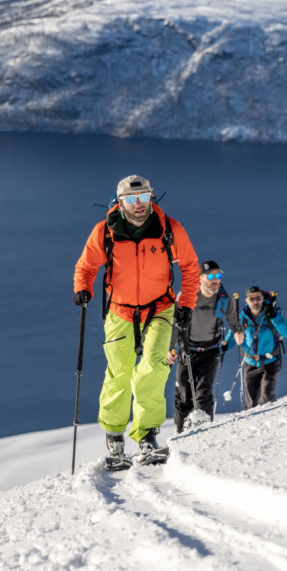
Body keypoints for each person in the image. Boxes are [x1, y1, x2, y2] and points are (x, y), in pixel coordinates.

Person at [73, 174, 200, 460]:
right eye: (131, 199)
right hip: (120, 310)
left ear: (151, 196)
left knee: (154, 368)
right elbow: (86, 266)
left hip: (161, 308)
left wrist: (187, 304)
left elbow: (191, 267)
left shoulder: (169, 229)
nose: (139, 204)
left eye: (144, 197)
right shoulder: (104, 231)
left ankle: (147, 435)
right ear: (120, 203)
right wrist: (83, 289)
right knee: (120, 373)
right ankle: (114, 433)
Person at [169, 260, 238, 433]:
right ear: (200, 278)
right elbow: (175, 324)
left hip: (211, 349)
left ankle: (205, 431)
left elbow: (234, 321)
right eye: (211, 276)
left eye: (218, 275)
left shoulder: (224, 299)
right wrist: (171, 348)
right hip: (188, 349)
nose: (216, 280)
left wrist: (238, 332)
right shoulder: (187, 296)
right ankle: (181, 433)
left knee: (204, 392)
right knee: (184, 394)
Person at [231, 286, 287, 408]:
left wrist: (274, 315)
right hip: (250, 362)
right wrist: (223, 347)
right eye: (251, 299)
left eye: (258, 298)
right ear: (246, 300)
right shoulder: (243, 316)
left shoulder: (271, 313)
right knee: (251, 403)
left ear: (262, 298)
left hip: (271, 361)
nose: (255, 301)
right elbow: (232, 335)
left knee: (267, 397)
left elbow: (286, 332)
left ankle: (269, 422)